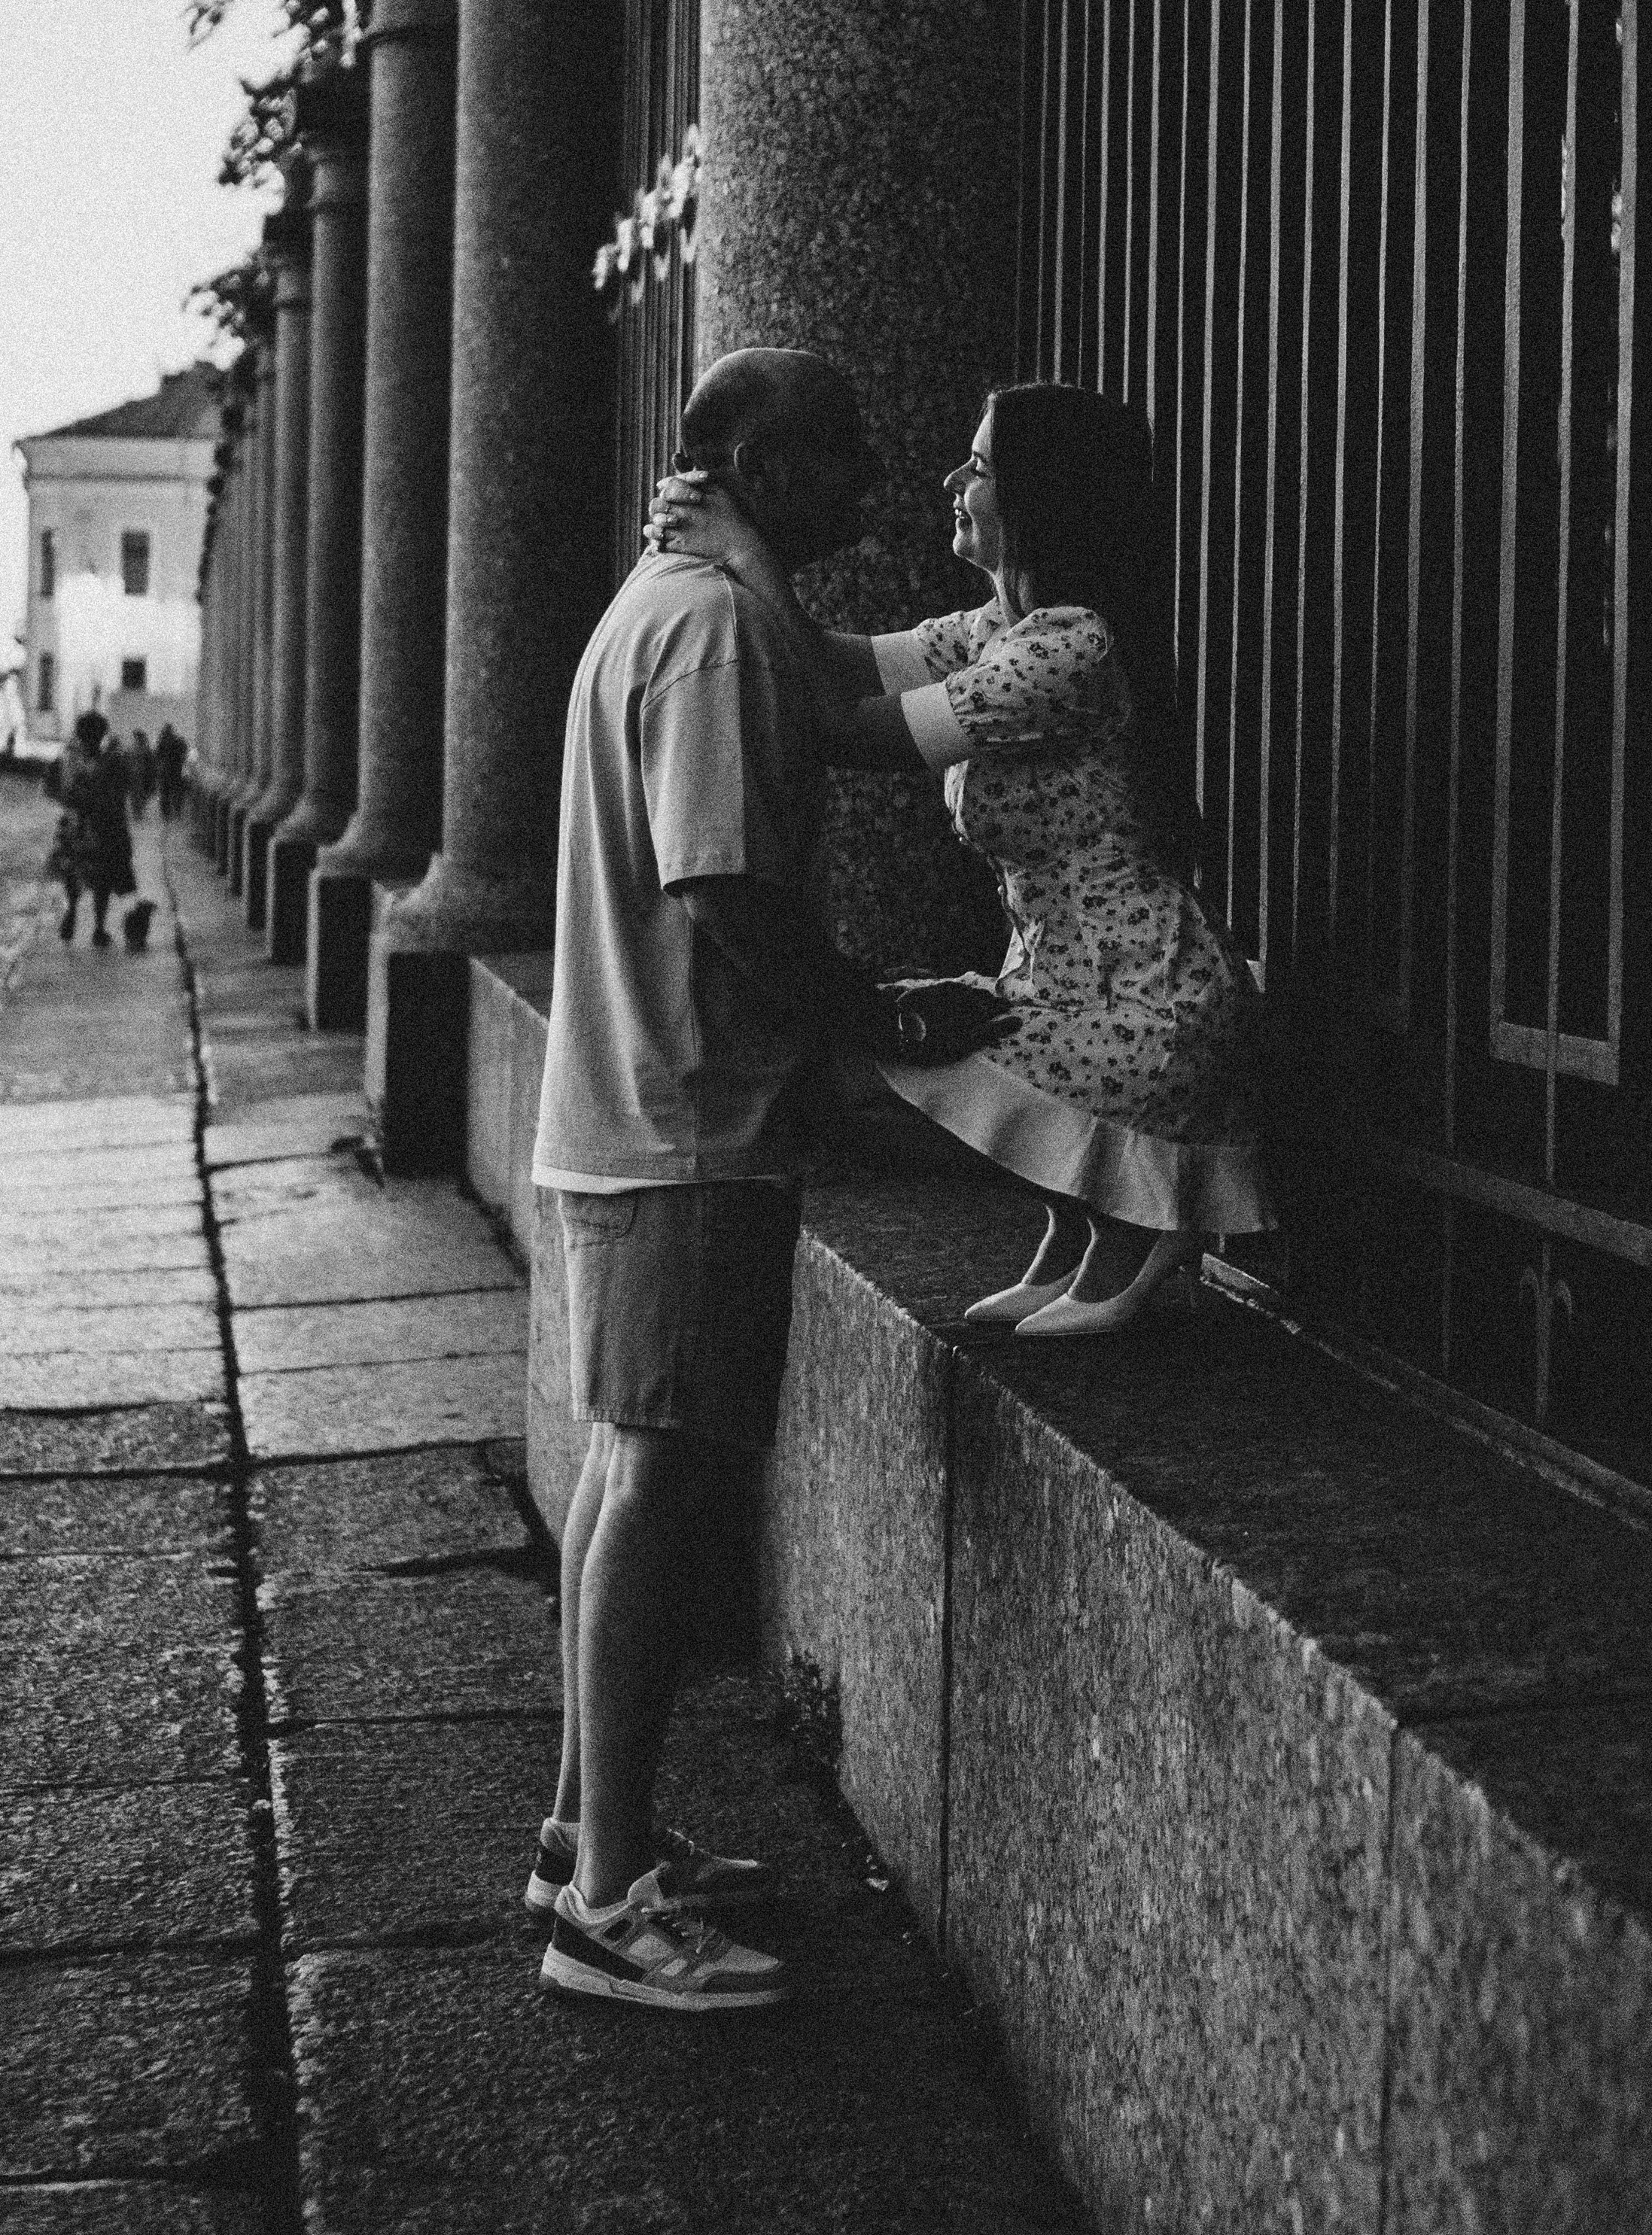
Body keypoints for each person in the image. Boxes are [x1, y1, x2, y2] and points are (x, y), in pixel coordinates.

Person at [527, 347, 1011, 2015]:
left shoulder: (682, 602)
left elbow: (827, 700)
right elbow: (724, 880)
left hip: (624, 1104)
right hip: (686, 1118)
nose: (868, 490)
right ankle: (605, 1905)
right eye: (835, 459)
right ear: (747, 458)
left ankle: (589, 1826)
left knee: (621, 1470)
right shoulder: (719, 629)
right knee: (656, 1487)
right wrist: (869, 1010)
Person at [648, 380, 1273, 1335]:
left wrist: (743, 550)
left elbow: (830, 724)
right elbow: (818, 658)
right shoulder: (993, 634)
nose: (952, 480)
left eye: (977, 467)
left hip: (1147, 1003)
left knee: (857, 1086)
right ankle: (1084, 1213)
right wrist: (744, 554)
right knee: (861, 1065)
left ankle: (1138, 1217)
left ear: (1038, 498)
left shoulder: (1072, 652)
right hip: (1070, 986)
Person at [44, 712, 153, 950]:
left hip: (73, 825)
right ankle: (98, 928)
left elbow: (49, 787)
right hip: (98, 826)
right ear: (102, 733)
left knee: (74, 873)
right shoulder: (108, 761)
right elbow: (125, 788)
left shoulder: (67, 759)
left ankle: (73, 911)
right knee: (100, 877)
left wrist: (68, 801)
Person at [154, 722, 187, 822]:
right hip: (176, 771)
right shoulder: (178, 741)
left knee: (165, 794)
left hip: (165, 771)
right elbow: (184, 751)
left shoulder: (162, 741)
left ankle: (166, 814)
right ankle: (177, 811)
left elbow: (157, 756)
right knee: (176, 792)